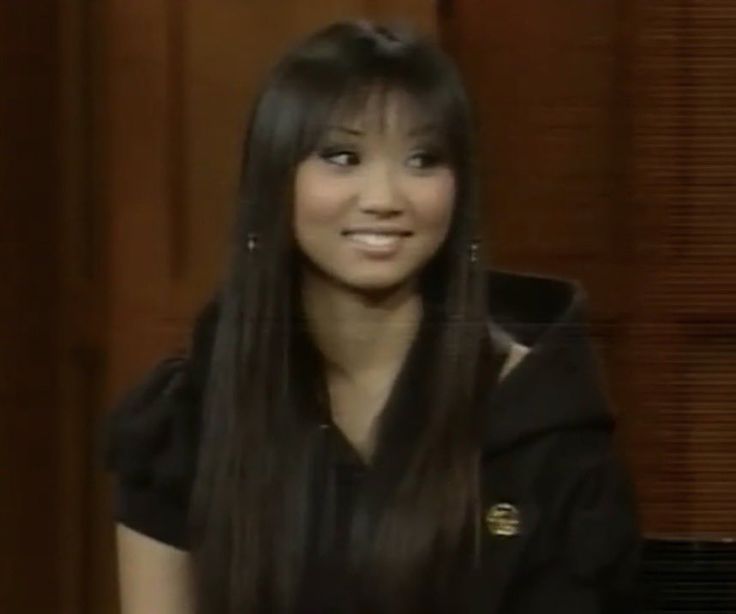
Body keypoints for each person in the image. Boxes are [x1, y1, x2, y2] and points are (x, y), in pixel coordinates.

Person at [102, 19, 642, 614]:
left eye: (422, 159)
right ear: (275, 181)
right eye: (343, 156)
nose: (385, 197)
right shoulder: (187, 421)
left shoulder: (542, 427)